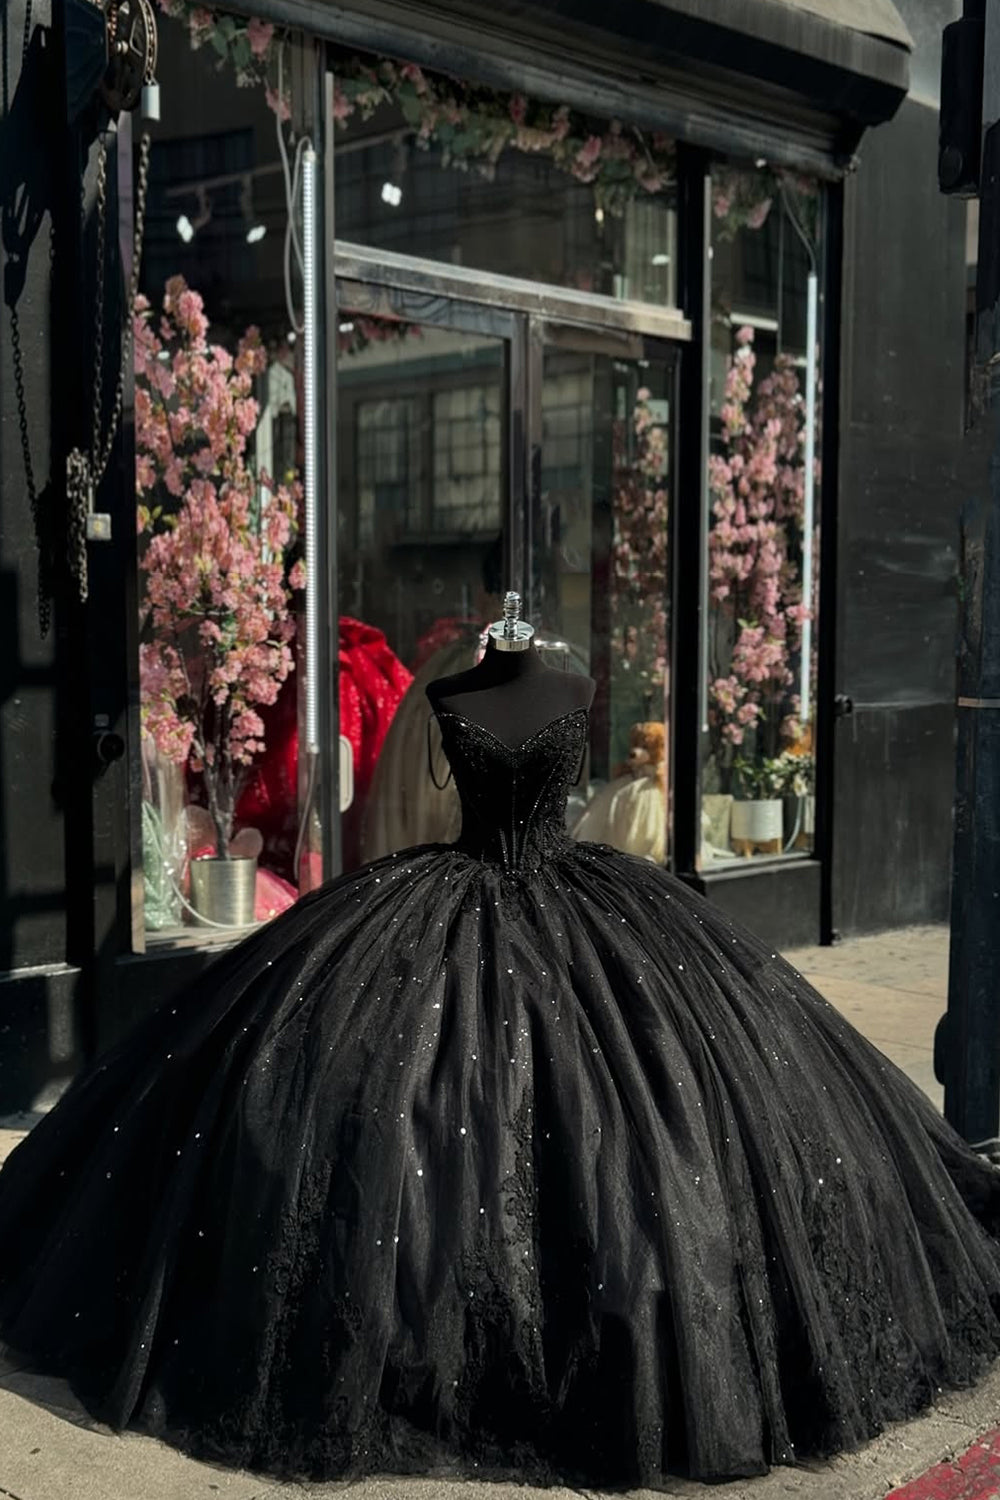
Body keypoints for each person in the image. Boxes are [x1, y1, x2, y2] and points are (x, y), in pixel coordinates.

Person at [0, 599, 999, 1489]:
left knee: (652, 1123)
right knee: (394, 1106)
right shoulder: (457, 692)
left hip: (581, 897)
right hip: (452, 889)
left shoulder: (569, 682)